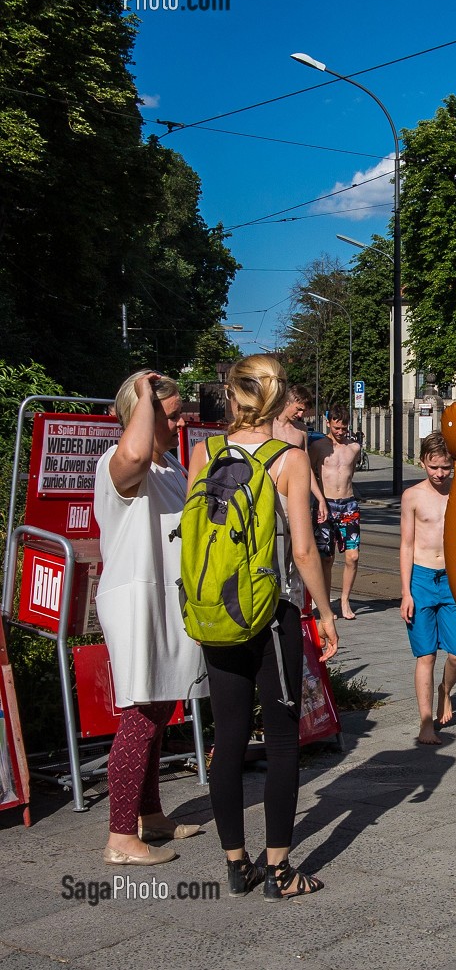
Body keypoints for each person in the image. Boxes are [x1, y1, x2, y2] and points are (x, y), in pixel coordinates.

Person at [186, 355, 338, 899]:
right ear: (274, 401)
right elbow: (301, 548)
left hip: (215, 614)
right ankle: (279, 871)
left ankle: (235, 865)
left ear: (232, 396)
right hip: (273, 614)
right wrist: (323, 611)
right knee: (280, 742)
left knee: (226, 740)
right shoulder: (289, 460)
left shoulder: (202, 453)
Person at [93, 370, 207, 866]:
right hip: (136, 601)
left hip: (165, 598)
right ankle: (121, 836)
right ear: (141, 414)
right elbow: (134, 454)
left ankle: (150, 814)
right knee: (141, 714)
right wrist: (143, 391)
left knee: (160, 711)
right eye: (171, 413)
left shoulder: (168, 467)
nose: (181, 420)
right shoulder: (118, 463)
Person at [399, 432, 456, 746]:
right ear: (422, 463)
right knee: (426, 655)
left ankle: (445, 689)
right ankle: (425, 723)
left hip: (452, 579)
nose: (440, 474)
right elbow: (406, 544)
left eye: (445, 467)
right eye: (433, 467)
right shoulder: (412, 496)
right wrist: (406, 592)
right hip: (421, 579)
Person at [310, 404, 362, 619]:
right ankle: (326, 603)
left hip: (348, 505)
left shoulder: (354, 448)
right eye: (336, 428)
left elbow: (350, 473)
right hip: (326, 506)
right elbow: (308, 472)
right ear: (328, 423)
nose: (340, 432)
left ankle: (344, 600)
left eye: (344, 428)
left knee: (353, 556)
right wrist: (319, 498)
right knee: (326, 558)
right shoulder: (319, 446)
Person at [275, 384, 328, 527]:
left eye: (303, 411)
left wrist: (320, 498)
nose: (300, 415)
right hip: (271, 493)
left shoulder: (301, 431)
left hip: (295, 494)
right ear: (288, 402)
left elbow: (306, 467)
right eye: (298, 409)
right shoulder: (268, 426)